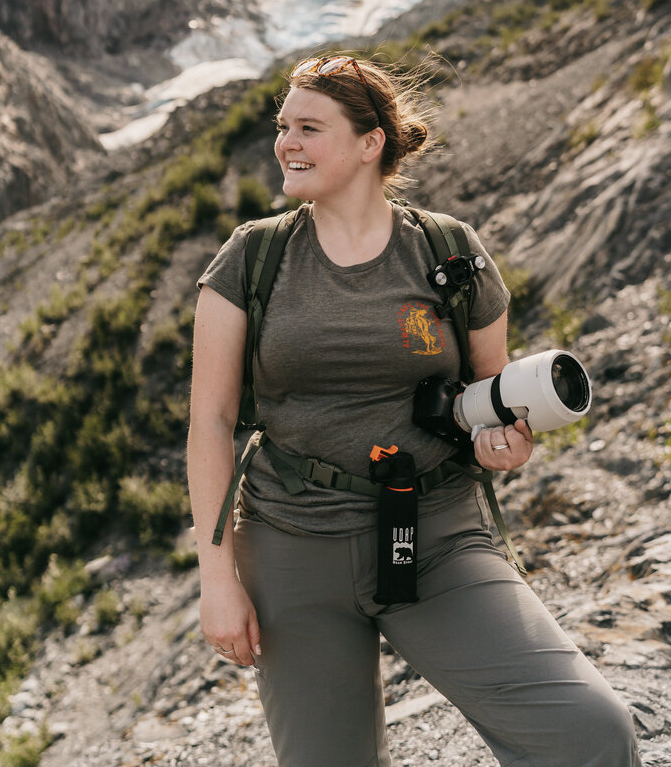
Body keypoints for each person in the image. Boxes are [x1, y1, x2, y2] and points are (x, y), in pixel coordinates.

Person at [187, 54, 641, 767]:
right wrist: (218, 581)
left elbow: (494, 400)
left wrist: (508, 445)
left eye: (309, 127)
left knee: (590, 735)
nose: (286, 144)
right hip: (290, 548)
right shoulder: (251, 259)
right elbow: (210, 423)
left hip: (436, 537)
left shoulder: (450, 251)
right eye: (283, 127)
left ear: (371, 143)